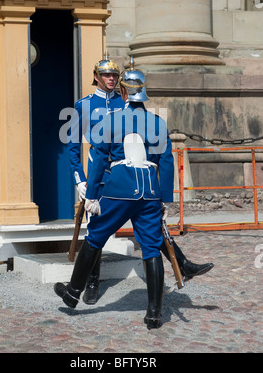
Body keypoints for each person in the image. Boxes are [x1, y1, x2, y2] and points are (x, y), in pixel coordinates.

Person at [55, 61, 213, 329]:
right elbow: (165, 162)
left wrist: (91, 194)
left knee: (95, 238)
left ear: (125, 92)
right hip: (150, 193)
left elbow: (99, 162)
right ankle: (154, 314)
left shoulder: (112, 121)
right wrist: (164, 199)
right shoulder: (157, 122)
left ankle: (72, 293)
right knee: (151, 247)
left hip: (119, 189)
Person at [67, 57, 124, 305]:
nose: (111, 79)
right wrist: (80, 179)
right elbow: (72, 147)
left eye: (114, 75)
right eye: (106, 75)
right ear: (97, 77)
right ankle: (92, 281)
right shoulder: (84, 105)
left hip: (123, 173)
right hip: (97, 175)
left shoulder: (126, 102)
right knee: (95, 228)